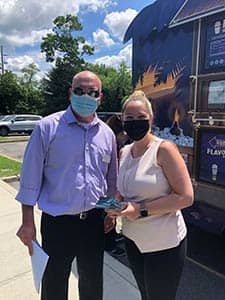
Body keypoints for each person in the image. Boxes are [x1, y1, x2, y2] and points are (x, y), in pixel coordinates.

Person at [15, 70, 118, 300]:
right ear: (70, 93)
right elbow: (30, 177)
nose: (86, 96)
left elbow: (110, 179)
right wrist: (27, 222)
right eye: (80, 91)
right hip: (57, 223)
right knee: (54, 282)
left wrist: (112, 214)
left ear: (100, 97)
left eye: (92, 92)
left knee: (92, 281)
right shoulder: (47, 127)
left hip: (94, 221)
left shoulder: (107, 135)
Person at [107, 90, 194, 300]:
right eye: (129, 118)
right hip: (132, 239)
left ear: (151, 118)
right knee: (145, 295)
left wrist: (140, 209)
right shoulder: (124, 152)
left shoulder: (164, 149)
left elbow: (185, 197)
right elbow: (123, 189)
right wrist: (114, 206)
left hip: (164, 243)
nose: (135, 122)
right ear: (122, 119)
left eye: (140, 118)